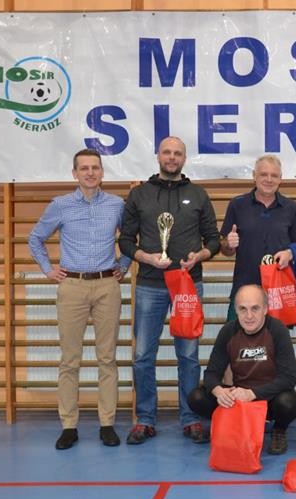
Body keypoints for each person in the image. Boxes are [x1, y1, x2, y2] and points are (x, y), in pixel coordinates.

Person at [118, 136, 221, 445]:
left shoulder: (198, 194)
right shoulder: (139, 195)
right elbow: (125, 240)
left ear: (184, 159)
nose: (172, 157)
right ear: (158, 156)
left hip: (188, 285)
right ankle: (145, 419)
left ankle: (190, 419)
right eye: (167, 152)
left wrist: (200, 256)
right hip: (150, 284)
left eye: (177, 153)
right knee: (142, 356)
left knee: (188, 356)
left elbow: (213, 239)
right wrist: (145, 257)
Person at [28, 148, 131, 450]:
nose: (90, 173)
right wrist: (48, 269)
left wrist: (124, 265)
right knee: (69, 360)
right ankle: (69, 425)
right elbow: (35, 238)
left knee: (107, 358)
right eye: (84, 168)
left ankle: (107, 423)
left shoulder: (116, 205)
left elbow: (130, 239)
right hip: (71, 286)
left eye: (95, 167)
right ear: (74, 173)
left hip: (107, 285)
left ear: (102, 172)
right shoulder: (60, 205)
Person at [187, 284, 296, 454]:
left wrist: (252, 393)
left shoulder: (278, 330)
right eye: (243, 309)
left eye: (255, 308)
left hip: (268, 398)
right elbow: (211, 374)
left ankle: (278, 429)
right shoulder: (228, 331)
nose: (249, 316)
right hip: (238, 399)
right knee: (196, 397)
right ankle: (230, 424)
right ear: (236, 310)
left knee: (289, 402)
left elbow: (289, 377)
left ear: (265, 309)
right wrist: (219, 391)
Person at [220, 155, 296, 321]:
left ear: (280, 179)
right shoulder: (237, 204)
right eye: (263, 174)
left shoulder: (291, 207)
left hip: (278, 289)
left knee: (276, 337)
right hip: (244, 287)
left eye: (274, 175)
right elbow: (225, 248)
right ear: (254, 176)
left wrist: (290, 253)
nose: (269, 179)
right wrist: (229, 245)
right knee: (236, 336)